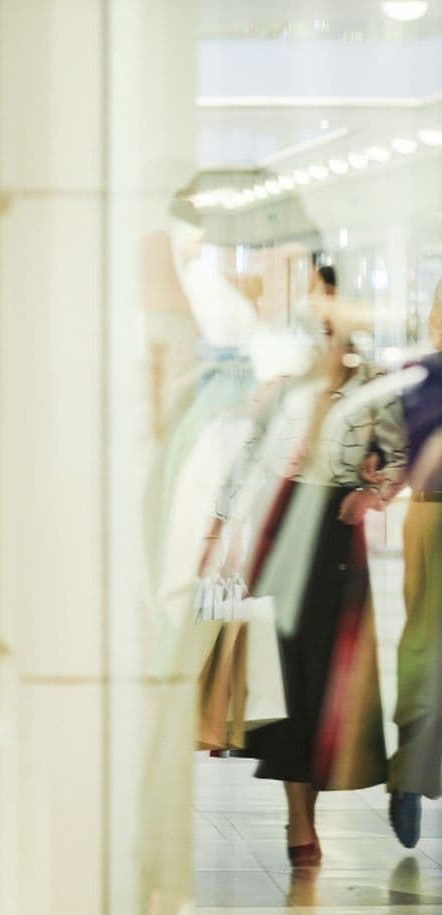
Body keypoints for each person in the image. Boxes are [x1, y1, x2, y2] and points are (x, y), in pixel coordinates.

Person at [210, 309, 406, 867]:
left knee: (324, 678)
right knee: (285, 676)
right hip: (281, 524)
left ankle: (310, 809)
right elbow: (247, 458)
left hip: (335, 535)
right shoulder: (284, 390)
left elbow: (397, 456)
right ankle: (298, 816)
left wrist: (374, 493)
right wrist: (219, 528)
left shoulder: (374, 389)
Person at [377, 280, 442, 847]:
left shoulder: (419, 373)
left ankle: (411, 774)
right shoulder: (424, 373)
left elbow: (399, 456)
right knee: (426, 646)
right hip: (434, 513)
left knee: (423, 643)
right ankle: (411, 774)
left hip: (428, 513)